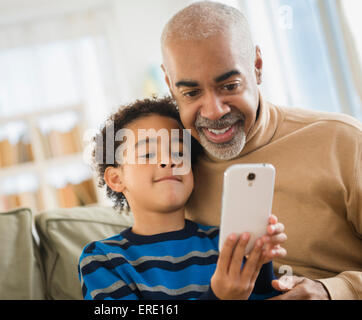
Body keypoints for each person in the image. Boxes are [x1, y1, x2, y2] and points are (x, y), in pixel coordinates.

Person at [160, 1, 362, 300]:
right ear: (170, 85)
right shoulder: (170, 169)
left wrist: (332, 291)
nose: (214, 112)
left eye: (229, 85)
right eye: (191, 93)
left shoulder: (342, 141)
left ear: (257, 67)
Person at [78, 97, 288, 300]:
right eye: (148, 154)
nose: (169, 160)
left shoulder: (227, 244)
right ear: (116, 178)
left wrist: (260, 261)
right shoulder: (103, 259)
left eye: (179, 152)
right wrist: (218, 298)